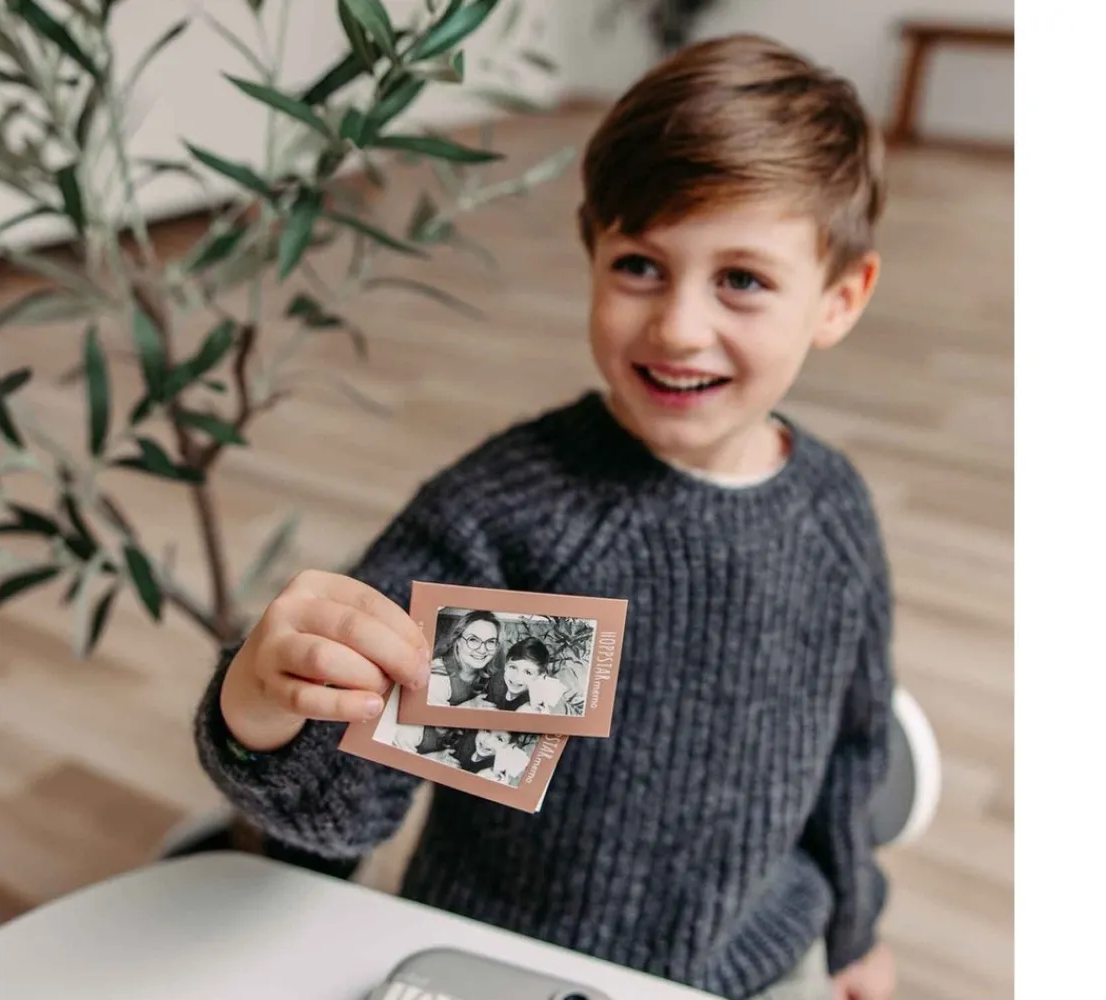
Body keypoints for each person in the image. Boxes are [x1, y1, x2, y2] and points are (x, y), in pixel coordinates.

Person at [196, 34, 895, 1000]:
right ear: (592, 253)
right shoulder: (517, 524)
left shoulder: (833, 515)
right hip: (511, 971)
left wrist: (854, 933)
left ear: (839, 299)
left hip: (757, 962)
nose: (679, 326)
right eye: (641, 265)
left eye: (742, 279)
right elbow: (347, 802)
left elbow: (854, 752)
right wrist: (262, 711)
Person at [425, 610, 502, 706]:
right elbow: (434, 718)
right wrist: (471, 704)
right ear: (457, 641)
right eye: (473, 640)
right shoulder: (437, 677)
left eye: (491, 641)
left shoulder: (491, 671)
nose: (482, 650)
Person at [480, 637, 563, 712]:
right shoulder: (496, 681)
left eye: (528, 672)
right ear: (505, 665)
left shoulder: (537, 700)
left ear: (540, 676)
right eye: (513, 667)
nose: (517, 677)